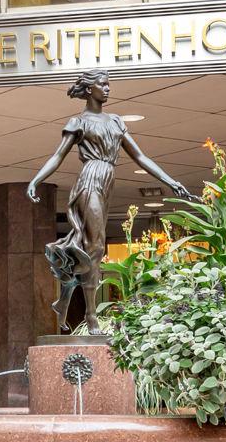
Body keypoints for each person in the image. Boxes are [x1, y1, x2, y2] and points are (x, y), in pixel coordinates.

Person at [26, 69, 188, 330]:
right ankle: (90, 316)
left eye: (108, 84)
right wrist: (36, 180)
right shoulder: (78, 122)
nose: (108, 89)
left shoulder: (115, 121)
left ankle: (65, 298)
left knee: (92, 247)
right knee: (96, 247)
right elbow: (57, 156)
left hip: (107, 181)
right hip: (89, 180)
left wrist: (171, 181)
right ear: (90, 89)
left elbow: (141, 157)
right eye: (103, 84)